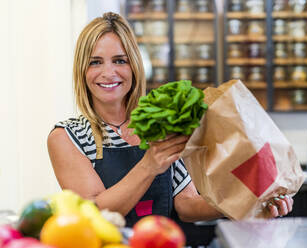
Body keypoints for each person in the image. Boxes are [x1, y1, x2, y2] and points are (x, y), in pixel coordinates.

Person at [47, 12, 293, 227]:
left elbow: (186, 204)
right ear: (82, 70)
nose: (109, 72)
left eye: (120, 60)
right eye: (95, 62)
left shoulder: (159, 125)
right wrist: (149, 165)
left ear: (134, 66)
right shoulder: (68, 137)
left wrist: (246, 199)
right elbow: (94, 213)